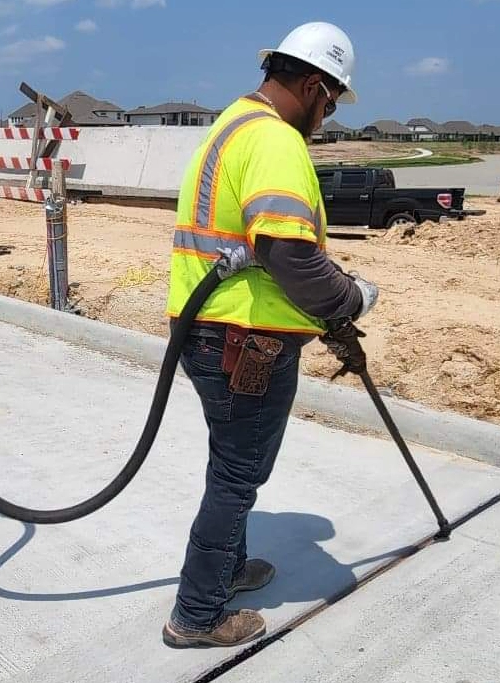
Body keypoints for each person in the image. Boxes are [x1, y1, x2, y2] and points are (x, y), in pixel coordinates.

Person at [162, 21, 379, 648]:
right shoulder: (276, 141)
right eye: (331, 101)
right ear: (313, 86)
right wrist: (351, 299)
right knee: (236, 476)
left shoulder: (232, 124)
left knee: (229, 461)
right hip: (243, 340)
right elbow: (289, 254)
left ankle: (227, 568)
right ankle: (197, 615)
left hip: (208, 333)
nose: (329, 114)